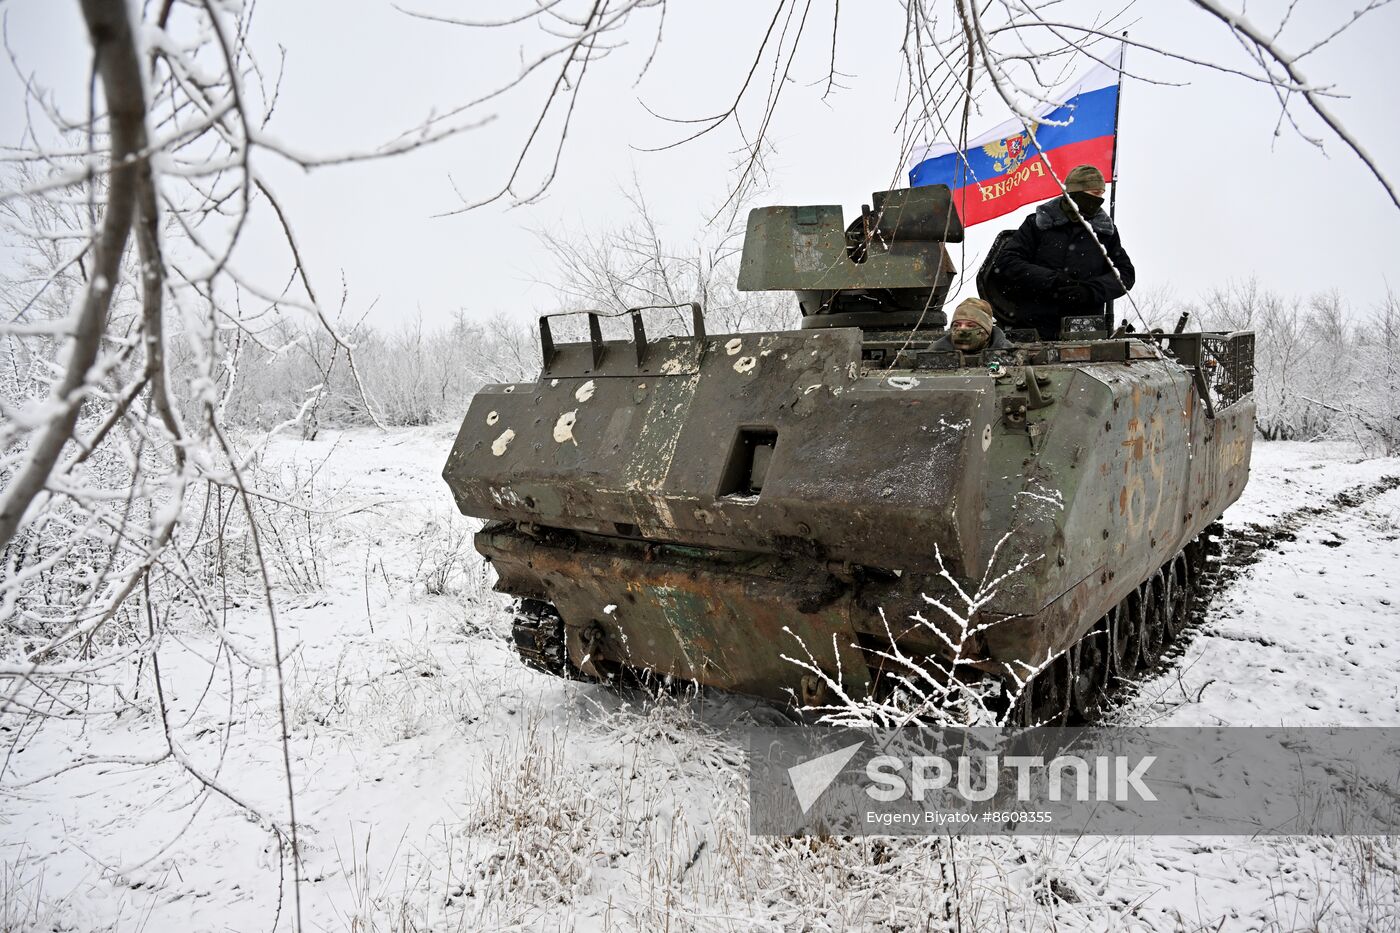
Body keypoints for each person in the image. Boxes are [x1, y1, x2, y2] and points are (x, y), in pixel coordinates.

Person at [987, 164, 1135, 340]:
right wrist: (1051, 280)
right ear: (1075, 193)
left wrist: (1089, 291)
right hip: (1034, 325)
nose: (1100, 200)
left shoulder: (1104, 232)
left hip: (1086, 328)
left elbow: (1124, 275)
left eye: (1102, 194)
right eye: (1095, 194)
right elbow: (1007, 262)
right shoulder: (1038, 224)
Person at [930, 297, 1013, 354]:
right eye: (957, 325)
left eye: (970, 326)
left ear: (987, 330)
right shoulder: (934, 353)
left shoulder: (1010, 355)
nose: (962, 330)